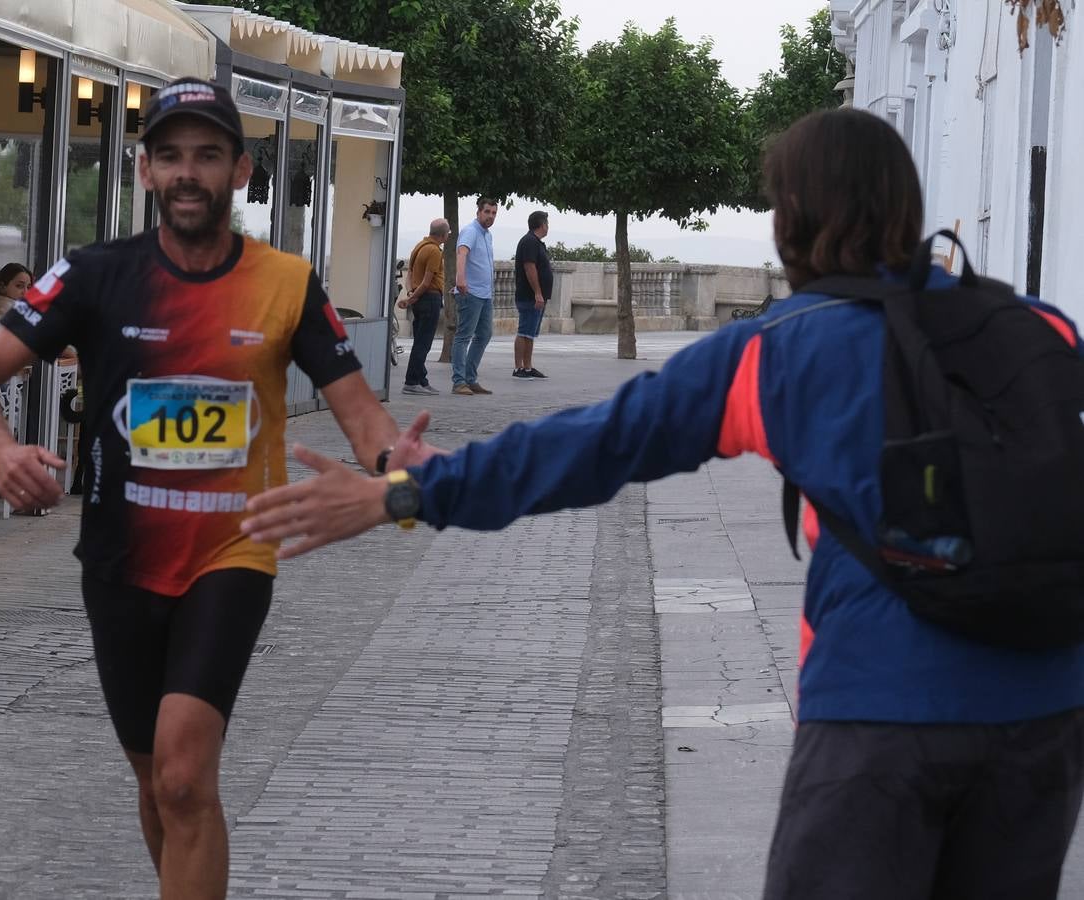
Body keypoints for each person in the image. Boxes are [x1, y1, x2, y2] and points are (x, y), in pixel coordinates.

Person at [243, 107, 1084, 900]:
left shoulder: (781, 351)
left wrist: (415, 488)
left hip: (879, 716)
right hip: (1044, 711)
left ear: (791, 215)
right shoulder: (1041, 329)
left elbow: (597, 444)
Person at [0, 77, 409, 900]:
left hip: (233, 553)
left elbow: (366, 421)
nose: (188, 171)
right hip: (120, 558)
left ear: (240, 170)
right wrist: (1, 449)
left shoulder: (288, 283)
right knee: (157, 778)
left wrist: (401, 477)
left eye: (207, 154)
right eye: (170, 156)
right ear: (146, 171)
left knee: (186, 778)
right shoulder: (91, 275)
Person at [451, 197, 497, 396]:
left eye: (494, 213)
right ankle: (459, 382)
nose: (490, 216)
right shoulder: (471, 231)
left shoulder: (487, 235)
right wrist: (460, 280)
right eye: (487, 212)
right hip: (470, 292)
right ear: (479, 212)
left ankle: (470, 379)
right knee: (463, 336)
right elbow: (462, 254)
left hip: (485, 294)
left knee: (484, 335)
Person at [398, 219, 450, 395]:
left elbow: (410, 274)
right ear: (443, 235)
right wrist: (413, 297)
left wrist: (411, 293)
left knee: (419, 341)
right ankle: (411, 382)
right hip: (430, 299)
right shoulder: (434, 251)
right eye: (448, 233)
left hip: (420, 299)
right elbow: (427, 282)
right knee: (423, 344)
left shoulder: (419, 246)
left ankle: (422, 380)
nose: (449, 235)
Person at [512, 210, 553, 379]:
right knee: (524, 331)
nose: (548, 227)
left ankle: (528, 367)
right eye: (547, 224)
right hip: (529, 296)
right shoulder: (529, 242)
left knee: (530, 333)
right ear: (542, 224)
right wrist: (537, 292)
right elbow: (530, 268)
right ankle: (518, 367)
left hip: (536, 297)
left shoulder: (536, 242)